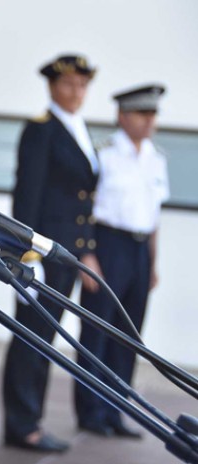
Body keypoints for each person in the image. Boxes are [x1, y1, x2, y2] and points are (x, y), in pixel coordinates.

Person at [2, 54, 99, 453]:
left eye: (82, 85)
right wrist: (26, 258)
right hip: (41, 255)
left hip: (66, 255)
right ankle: (22, 425)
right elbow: (27, 199)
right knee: (31, 338)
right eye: (68, 85)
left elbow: (84, 202)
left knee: (46, 339)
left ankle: (31, 420)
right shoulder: (41, 131)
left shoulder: (78, 129)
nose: (75, 92)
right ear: (52, 87)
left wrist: (88, 251)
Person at [73, 85, 168, 439]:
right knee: (97, 331)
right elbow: (83, 210)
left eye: (153, 114)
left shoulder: (156, 158)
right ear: (122, 116)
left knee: (129, 337)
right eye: (143, 114)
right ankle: (91, 412)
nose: (150, 121)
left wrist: (153, 263)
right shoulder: (103, 155)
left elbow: (154, 215)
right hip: (106, 246)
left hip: (140, 251)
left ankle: (116, 411)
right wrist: (86, 254)